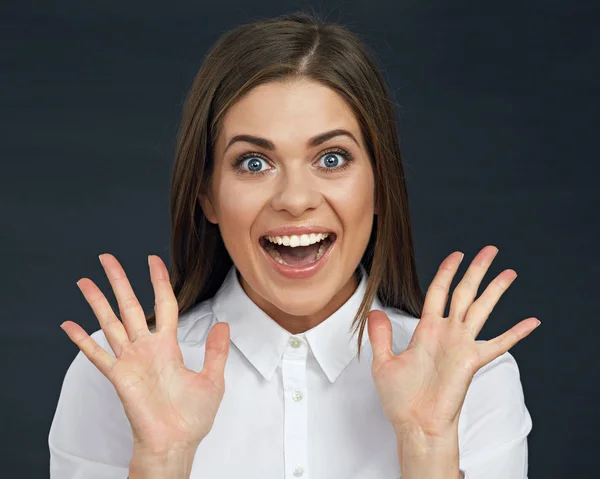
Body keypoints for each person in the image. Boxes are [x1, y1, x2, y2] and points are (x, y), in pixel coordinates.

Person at [48, 11, 540, 479]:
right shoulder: (115, 377)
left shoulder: (474, 380)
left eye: (331, 158)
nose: (295, 200)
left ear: (379, 187)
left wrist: (428, 444)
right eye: (254, 163)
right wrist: (162, 458)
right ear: (208, 196)